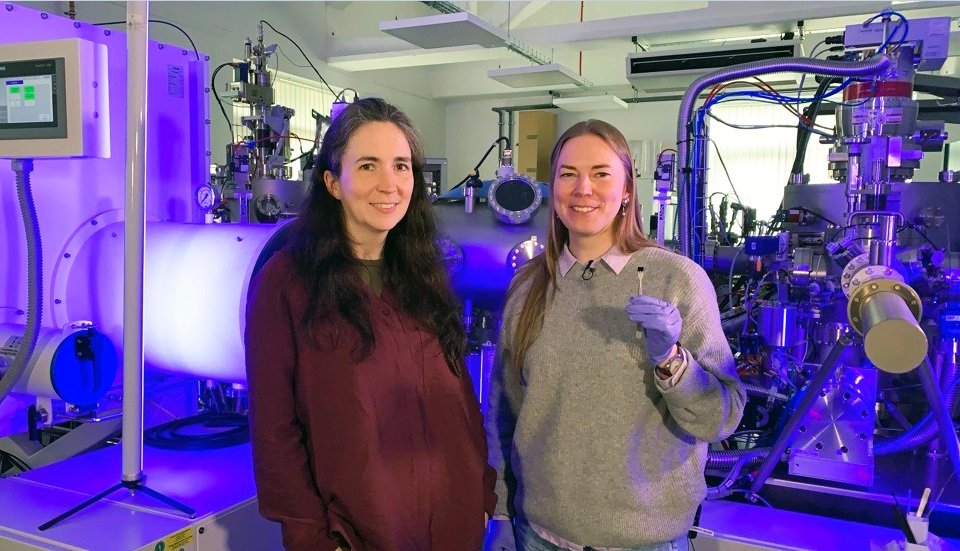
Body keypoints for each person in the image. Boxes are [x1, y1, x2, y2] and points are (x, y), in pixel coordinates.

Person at [245, 97, 496, 551]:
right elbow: (274, 428)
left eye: (401, 166)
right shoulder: (287, 282)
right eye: (367, 166)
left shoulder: (422, 272)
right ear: (332, 182)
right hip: (359, 531)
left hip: (452, 522)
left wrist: (482, 491)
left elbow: (458, 397)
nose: (389, 184)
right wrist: (310, 537)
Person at [484, 120, 746, 551]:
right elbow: (504, 411)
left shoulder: (678, 280)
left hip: (646, 542)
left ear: (627, 189)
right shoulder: (529, 286)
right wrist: (499, 511)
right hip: (539, 534)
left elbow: (721, 418)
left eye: (601, 173)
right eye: (568, 174)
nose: (583, 188)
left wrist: (674, 363)